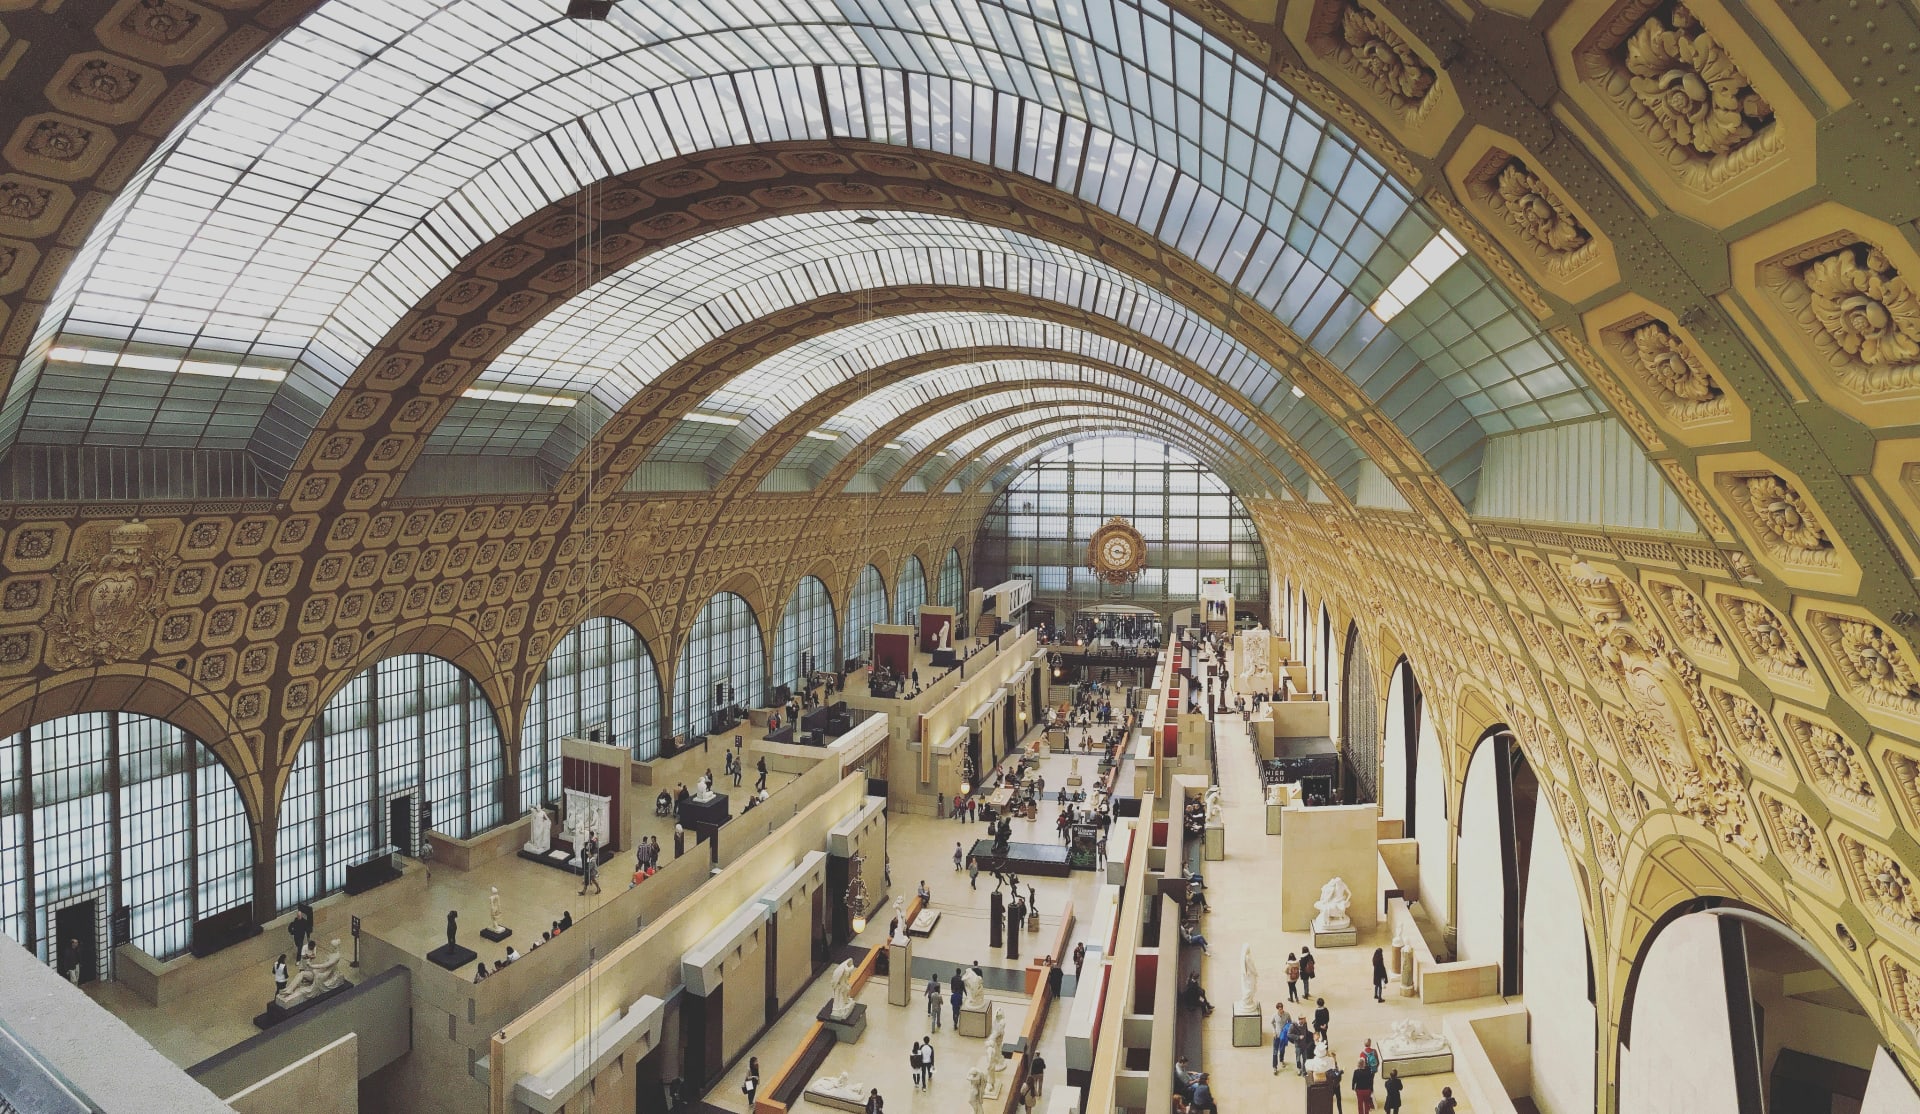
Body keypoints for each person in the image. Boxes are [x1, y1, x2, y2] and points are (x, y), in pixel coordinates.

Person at [1272, 1001, 1292, 1074]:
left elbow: (1290, 1022)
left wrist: (1287, 1030)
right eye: (1279, 1009)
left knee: (1282, 1049)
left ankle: (1281, 1060)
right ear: (1277, 1009)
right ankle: (1275, 1067)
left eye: (1281, 1008)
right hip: (1276, 1035)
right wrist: (1274, 1031)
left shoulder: (1287, 1014)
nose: (1281, 1010)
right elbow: (1272, 1023)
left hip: (1283, 1035)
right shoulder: (1275, 1015)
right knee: (1275, 1051)